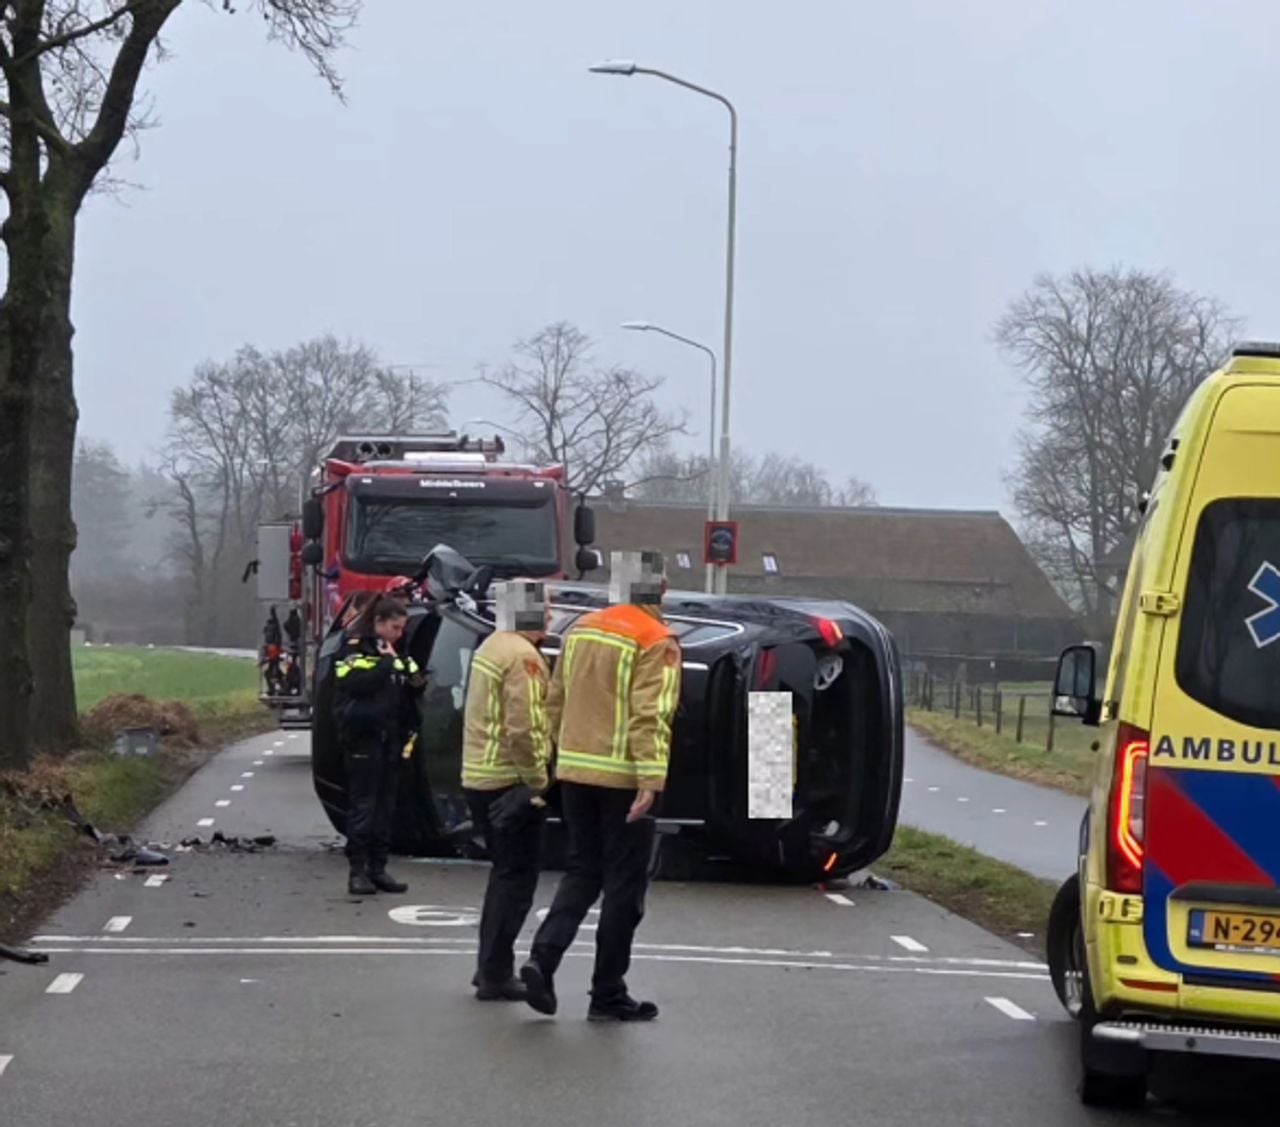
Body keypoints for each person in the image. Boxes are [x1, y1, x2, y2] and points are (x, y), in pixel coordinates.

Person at [521, 550, 680, 1022]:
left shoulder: (581, 629)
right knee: (624, 889)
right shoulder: (656, 639)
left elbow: (554, 700)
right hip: (623, 777)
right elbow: (650, 715)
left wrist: (553, 761)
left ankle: (542, 958)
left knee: (582, 872)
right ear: (659, 589)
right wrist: (650, 779)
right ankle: (607, 993)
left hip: (575, 772)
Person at [460, 580, 554, 1002]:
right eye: (544, 610)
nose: (549, 617)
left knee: (503, 875)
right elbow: (524, 726)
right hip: (508, 778)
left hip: (480, 775)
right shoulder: (522, 656)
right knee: (516, 881)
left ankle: (488, 966)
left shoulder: (492, 646)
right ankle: (496, 973)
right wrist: (537, 779)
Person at [332, 595, 420, 897]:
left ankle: (378, 868)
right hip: (363, 736)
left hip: (391, 738)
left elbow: (414, 679)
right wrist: (386, 663)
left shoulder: (395, 650)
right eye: (395, 627)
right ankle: (357, 871)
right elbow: (351, 682)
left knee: (386, 807)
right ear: (378, 622)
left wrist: (405, 667)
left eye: (402, 628)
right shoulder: (355, 647)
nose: (399, 633)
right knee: (364, 805)